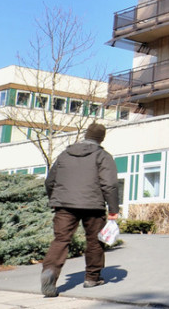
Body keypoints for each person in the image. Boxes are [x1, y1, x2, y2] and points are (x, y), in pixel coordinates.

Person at [41, 124, 120, 297]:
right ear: (101, 138)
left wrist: (54, 200)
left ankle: (50, 271)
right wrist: (113, 209)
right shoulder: (102, 156)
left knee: (61, 240)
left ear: (86, 135)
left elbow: (50, 181)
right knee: (94, 240)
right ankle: (92, 278)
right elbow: (110, 184)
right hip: (93, 205)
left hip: (64, 205)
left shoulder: (64, 154)